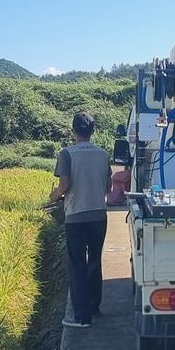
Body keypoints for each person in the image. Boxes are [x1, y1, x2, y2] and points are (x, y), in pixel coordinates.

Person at [50, 111, 112, 328]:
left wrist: (55, 195)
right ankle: (94, 307)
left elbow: (64, 185)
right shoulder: (103, 154)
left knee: (77, 264)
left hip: (76, 216)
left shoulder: (67, 154)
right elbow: (108, 187)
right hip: (99, 216)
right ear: (92, 131)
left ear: (73, 130)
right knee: (95, 260)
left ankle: (81, 317)